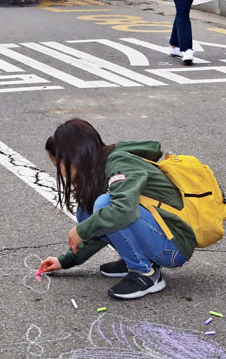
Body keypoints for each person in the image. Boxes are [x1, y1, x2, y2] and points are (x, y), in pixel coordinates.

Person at [36, 119, 196, 300]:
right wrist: (64, 261)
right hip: (160, 237)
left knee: (105, 205)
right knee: (87, 211)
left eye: (58, 165)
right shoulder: (98, 168)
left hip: (173, 247)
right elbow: (102, 228)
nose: (60, 172)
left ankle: (145, 274)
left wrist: (82, 230)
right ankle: (136, 260)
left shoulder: (119, 163)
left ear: (74, 157)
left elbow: (124, 211)